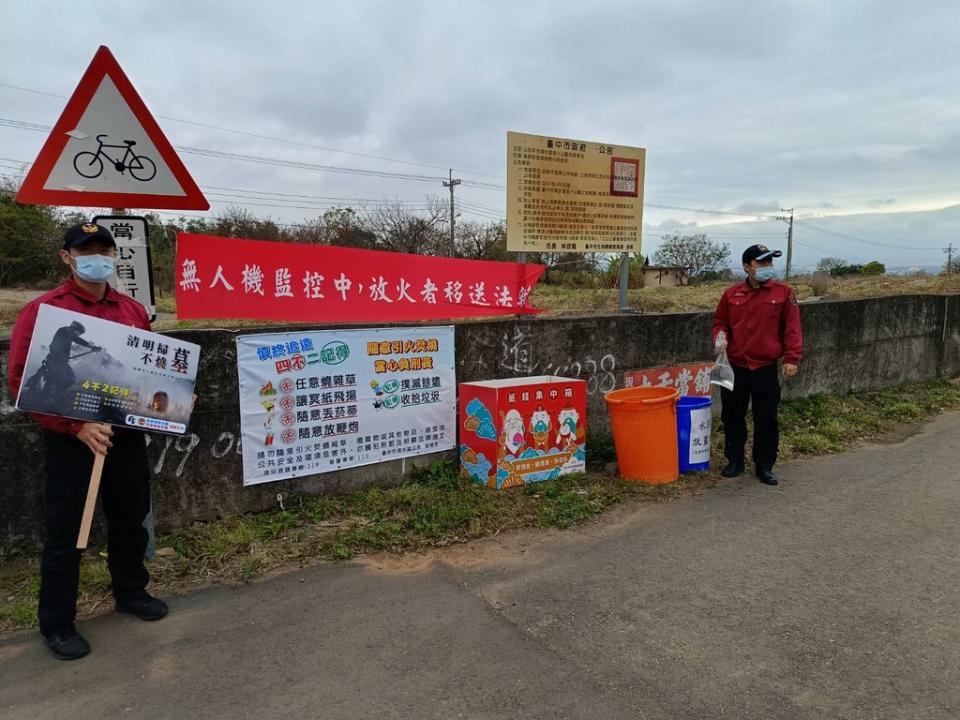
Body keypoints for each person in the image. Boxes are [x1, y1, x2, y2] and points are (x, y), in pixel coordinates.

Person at [7, 222, 167, 661]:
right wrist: (75, 428)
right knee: (65, 534)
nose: (96, 257)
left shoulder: (132, 311)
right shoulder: (44, 312)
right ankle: (57, 623)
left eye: (103, 249)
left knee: (130, 518)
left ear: (115, 256)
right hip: (73, 442)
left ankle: (131, 590)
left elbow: (147, 372)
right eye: (85, 250)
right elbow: (22, 382)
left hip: (125, 436)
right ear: (67, 257)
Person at [711, 244, 803, 486]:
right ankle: (735, 461)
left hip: (764, 368)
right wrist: (720, 336)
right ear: (747, 267)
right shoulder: (731, 295)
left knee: (766, 418)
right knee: (732, 416)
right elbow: (720, 322)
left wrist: (792, 358)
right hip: (736, 367)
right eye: (761, 263)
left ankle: (764, 466)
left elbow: (792, 329)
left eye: (769, 263)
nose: (767, 268)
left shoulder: (784, 293)